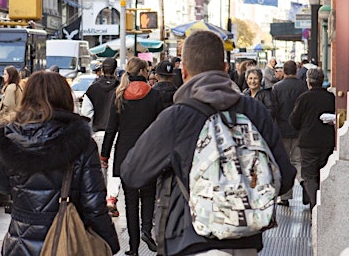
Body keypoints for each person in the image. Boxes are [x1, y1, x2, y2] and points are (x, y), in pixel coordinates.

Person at [121, 30, 296, 256]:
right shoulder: (255, 111)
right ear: (225, 68)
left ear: (183, 71)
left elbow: (132, 173)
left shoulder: (177, 117)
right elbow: (285, 176)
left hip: (189, 240)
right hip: (245, 243)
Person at [0, 71, 120, 256]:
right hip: (67, 240)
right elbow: (94, 205)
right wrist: (110, 242)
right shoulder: (81, 143)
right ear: (65, 98)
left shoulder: (9, 137)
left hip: (20, 241)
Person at [101, 57, 164, 255]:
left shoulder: (119, 96)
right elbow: (161, 127)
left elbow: (111, 129)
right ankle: (146, 229)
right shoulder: (154, 96)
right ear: (144, 72)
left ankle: (134, 248)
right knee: (148, 194)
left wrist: (104, 155)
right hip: (148, 153)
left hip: (125, 154)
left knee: (129, 201)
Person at [80, 58, 121, 217]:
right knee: (113, 167)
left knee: (99, 166)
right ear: (116, 70)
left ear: (101, 70)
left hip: (97, 133)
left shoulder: (92, 89)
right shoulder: (120, 88)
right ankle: (112, 198)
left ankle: (101, 197)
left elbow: (86, 114)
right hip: (116, 133)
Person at [290, 68, 335, 209]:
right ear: (322, 81)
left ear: (308, 81)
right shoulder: (331, 97)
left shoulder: (304, 98)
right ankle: (323, 205)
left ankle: (315, 207)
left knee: (309, 175)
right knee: (323, 172)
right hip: (326, 141)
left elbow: (294, 120)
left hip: (308, 142)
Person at [272, 60, 308, 206]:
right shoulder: (303, 87)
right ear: (296, 71)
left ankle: (285, 197)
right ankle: (305, 185)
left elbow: (274, 110)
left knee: (284, 162)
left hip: (282, 129)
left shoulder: (276, 88)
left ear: (284, 71)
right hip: (299, 130)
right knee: (298, 161)